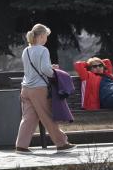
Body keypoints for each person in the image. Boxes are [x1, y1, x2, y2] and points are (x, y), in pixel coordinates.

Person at [15, 24, 76, 154]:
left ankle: (21, 145)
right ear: (41, 36)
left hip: (25, 88)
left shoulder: (26, 50)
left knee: (28, 118)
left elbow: (34, 68)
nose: (46, 39)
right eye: (46, 36)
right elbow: (45, 70)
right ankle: (62, 143)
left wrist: (49, 67)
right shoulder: (43, 50)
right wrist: (56, 72)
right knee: (47, 116)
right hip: (39, 89)